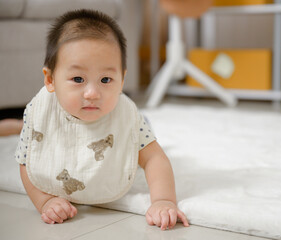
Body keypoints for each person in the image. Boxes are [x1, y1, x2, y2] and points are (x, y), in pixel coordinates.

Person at [13, 9, 189, 230]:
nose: (92, 93)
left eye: (106, 79)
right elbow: (26, 162)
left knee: (141, 135)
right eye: (78, 79)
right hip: (51, 119)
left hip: (123, 128)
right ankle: (17, 126)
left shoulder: (126, 116)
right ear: (50, 80)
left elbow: (154, 159)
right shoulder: (40, 112)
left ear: (122, 80)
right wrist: (45, 200)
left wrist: (164, 200)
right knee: (33, 133)